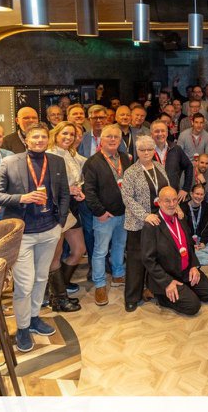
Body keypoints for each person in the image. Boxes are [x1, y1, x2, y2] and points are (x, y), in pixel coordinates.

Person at [0, 123, 70, 352]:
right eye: (35, 137)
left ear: (48, 139)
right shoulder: (10, 162)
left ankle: (34, 318)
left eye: (43, 137)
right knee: (24, 285)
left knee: (41, 278)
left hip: (49, 231)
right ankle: (23, 327)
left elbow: (64, 193)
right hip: (23, 233)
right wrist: (21, 198)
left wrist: (60, 222)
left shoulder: (56, 162)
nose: (39, 140)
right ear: (26, 140)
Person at [139, 186, 208, 315]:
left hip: (185, 270)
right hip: (167, 276)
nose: (172, 204)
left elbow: (189, 245)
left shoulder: (180, 218)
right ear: (159, 202)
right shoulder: (151, 226)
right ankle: (158, 294)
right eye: (167, 201)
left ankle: (184, 288)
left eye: (175, 200)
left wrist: (193, 266)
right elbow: (148, 260)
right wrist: (167, 282)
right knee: (193, 306)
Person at [82, 124, 132, 306]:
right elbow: (89, 191)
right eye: (108, 136)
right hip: (104, 216)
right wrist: (100, 212)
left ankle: (118, 275)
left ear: (120, 140)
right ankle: (100, 285)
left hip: (124, 213)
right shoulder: (92, 162)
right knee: (100, 251)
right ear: (101, 140)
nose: (112, 139)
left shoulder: (125, 158)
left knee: (119, 246)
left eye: (116, 137)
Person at [119, 134, 170, 311]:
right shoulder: (131, 172)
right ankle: (132, 297)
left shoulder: (159, 166)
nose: (146, 153)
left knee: (156, 258)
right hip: (139, 223)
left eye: (149, 149)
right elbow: (127, 198)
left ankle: (152, 290)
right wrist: (145, 215)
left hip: (159, 221)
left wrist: (174, 207)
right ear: (137, 151)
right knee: (136, 260)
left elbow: (167, 190)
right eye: (142, 150)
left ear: (154, 150)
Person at [45, 122, 87, 313]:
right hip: (56, 207)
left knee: (79, 249)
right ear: (56, 134)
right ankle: (58, 299)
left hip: (72, 206)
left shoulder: (71, 154)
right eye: (65, 133)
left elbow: (76, 179)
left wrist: (76, 191)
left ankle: (58, 289)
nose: (69, 137)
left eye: (72, 134)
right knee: (56, 254)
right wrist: (67, 190)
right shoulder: (49, 154)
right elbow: (45, 184)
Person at [181, 183, 208, 266]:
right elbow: (183, 229)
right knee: (184, 252)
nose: (199, 196)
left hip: (201, 240)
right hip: (187, 241)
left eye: (201, 194)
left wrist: (203, 242)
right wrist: (192, 244)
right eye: (197, 194)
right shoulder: (182, 208)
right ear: (191, 194)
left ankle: (201, 253)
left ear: (204, 195)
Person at [150, 121, 193, 202]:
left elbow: (189, 166)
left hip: (173, 197)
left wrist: (186, 189)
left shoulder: (176, 149)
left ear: (167, 133)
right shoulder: (147, 151)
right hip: (154, 198)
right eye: (157, 131)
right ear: (151, 134)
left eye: (163, 131)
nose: (160, 134)